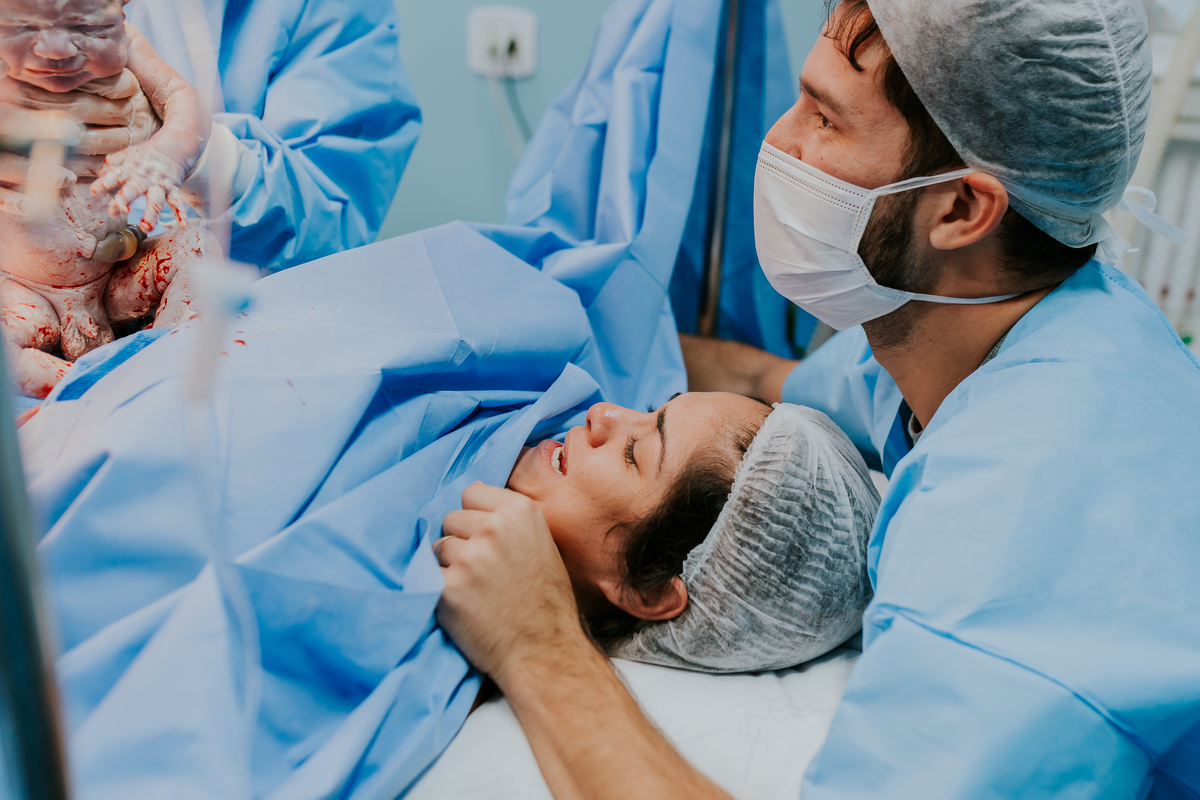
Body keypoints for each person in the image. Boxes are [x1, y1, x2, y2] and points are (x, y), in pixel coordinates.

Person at [432, 0, 1200, 798]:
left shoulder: (1019, 527)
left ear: (963, 209)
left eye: (824, 118)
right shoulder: (978, 337)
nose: (778, 141)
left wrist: (537, 642)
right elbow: (766, 382)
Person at [16, 219, 878, 798]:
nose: (606, 414)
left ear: (650, 591)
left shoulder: (409, 653)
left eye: (636, 451)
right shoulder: (524, 372)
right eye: (651, 408)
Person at [0, 0, 420, 273]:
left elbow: (332, 226)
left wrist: (190, 149)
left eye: (82, 24)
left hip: (212, 332)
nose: (55, 50)